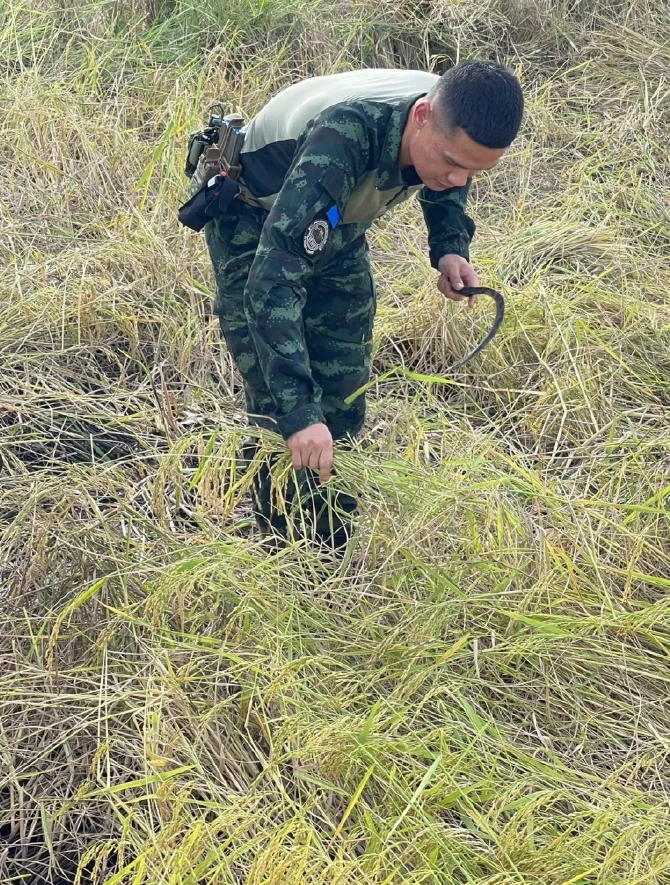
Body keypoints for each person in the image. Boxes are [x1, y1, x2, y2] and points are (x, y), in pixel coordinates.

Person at [196, 61, 524, 544]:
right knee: (278, 407)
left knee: (343, 391)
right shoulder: (343, 138)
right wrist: (299, 414)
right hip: (254, 219)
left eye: (475, 170)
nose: (459, 178)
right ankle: (280, 550)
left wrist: (449, 246)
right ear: (421, 117)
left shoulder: (450, 115)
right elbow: (271, 283)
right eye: (453, 162)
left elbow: (453, 174)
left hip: (337, 222)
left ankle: (331, 542)